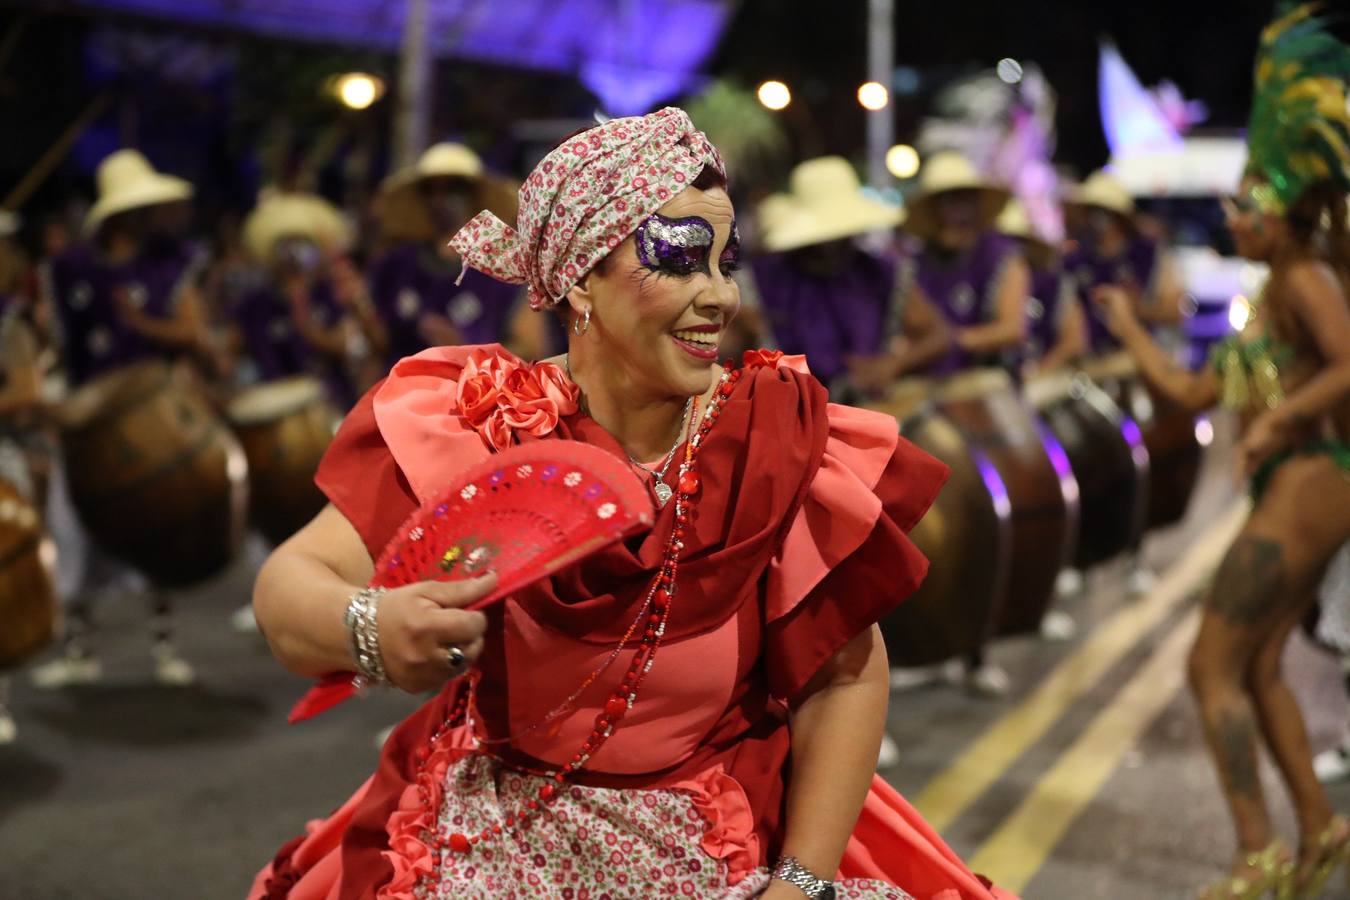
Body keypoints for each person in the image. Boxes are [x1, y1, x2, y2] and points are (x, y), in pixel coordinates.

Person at [249, 108, 1013, 900]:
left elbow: (847, 676)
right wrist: (371, 628)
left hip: (718, 840)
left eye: (726, 262)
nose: (718, 295)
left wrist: (801, 882)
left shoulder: (769, 438)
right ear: (581, 276)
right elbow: (288, 589)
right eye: (680, 259)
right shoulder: (481, 424)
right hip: (493, 835)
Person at [1093, 7, 1350, 895]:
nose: (1235, 213)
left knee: (1212, 666)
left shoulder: (1305, 276)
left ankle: (1259, 854)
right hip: (1299, 483)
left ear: (1286, 208)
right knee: (1263, 664)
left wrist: (1281, 423)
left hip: (1315, 482)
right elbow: (1190, 394)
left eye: (1251, 199)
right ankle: (1317, 832)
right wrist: (1128, 328)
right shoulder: (1273, 286)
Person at [33, 149, 214, 689]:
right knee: (74, 533)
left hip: (151, 415)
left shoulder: (167, 265)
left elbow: (192, 335)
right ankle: (78, 649)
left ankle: (163, 648)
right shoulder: (69, 270)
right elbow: (59, 341)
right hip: (91, 414)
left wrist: (141, 324)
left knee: (158, 526)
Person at [739, 157, 948, 400]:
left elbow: (939, 336)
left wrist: (893, 364)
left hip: (865, 411)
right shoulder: (762, 281)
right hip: (786, 415)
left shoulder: (880, 273)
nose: (830, 247)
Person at [369, 142, 546, 364]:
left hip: (475, 393)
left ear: (474, 195)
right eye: (430, 190)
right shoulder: (396, 265)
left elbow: (531, 348)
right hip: (403, 392)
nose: (440, 199)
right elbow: (379, 341)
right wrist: (354, 303)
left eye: (454, 188)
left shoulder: (503, 266)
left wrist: (464, 350)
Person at [233, 191, 384, 411]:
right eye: (285, 246)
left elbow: (344, 345)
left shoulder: (330, 293)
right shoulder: (255, 304)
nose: (293, 256)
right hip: (275, 406)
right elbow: (234, 349)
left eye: (302, 246)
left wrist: (301, 312)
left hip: (331, 402)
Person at [901, 151, 1027, 378]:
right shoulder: (915, 264)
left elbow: (1013, 330)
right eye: (948, 199)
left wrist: (947, 341)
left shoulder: (1003, 256)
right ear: (934, 207)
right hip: (930, 381)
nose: (958, 208)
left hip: (989, 379)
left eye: (964, 197)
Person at [1064, 169, 1187, 356]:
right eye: (1092, 210)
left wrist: (1136, 309)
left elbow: (1177, 311)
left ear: (1118, 216)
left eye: (1103, 211)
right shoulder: (1076, 260)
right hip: (1092, 360)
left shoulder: (1148, 252)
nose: (1096, 219)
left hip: (1138, 357)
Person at [995, 200, 1087, 377]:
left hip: (1039, 381)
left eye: (1018, 242)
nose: (1011, 250)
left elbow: (1075, 339)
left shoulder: (1052, 283)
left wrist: (1040, 370)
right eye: (1005, 242)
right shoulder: (986, 282)